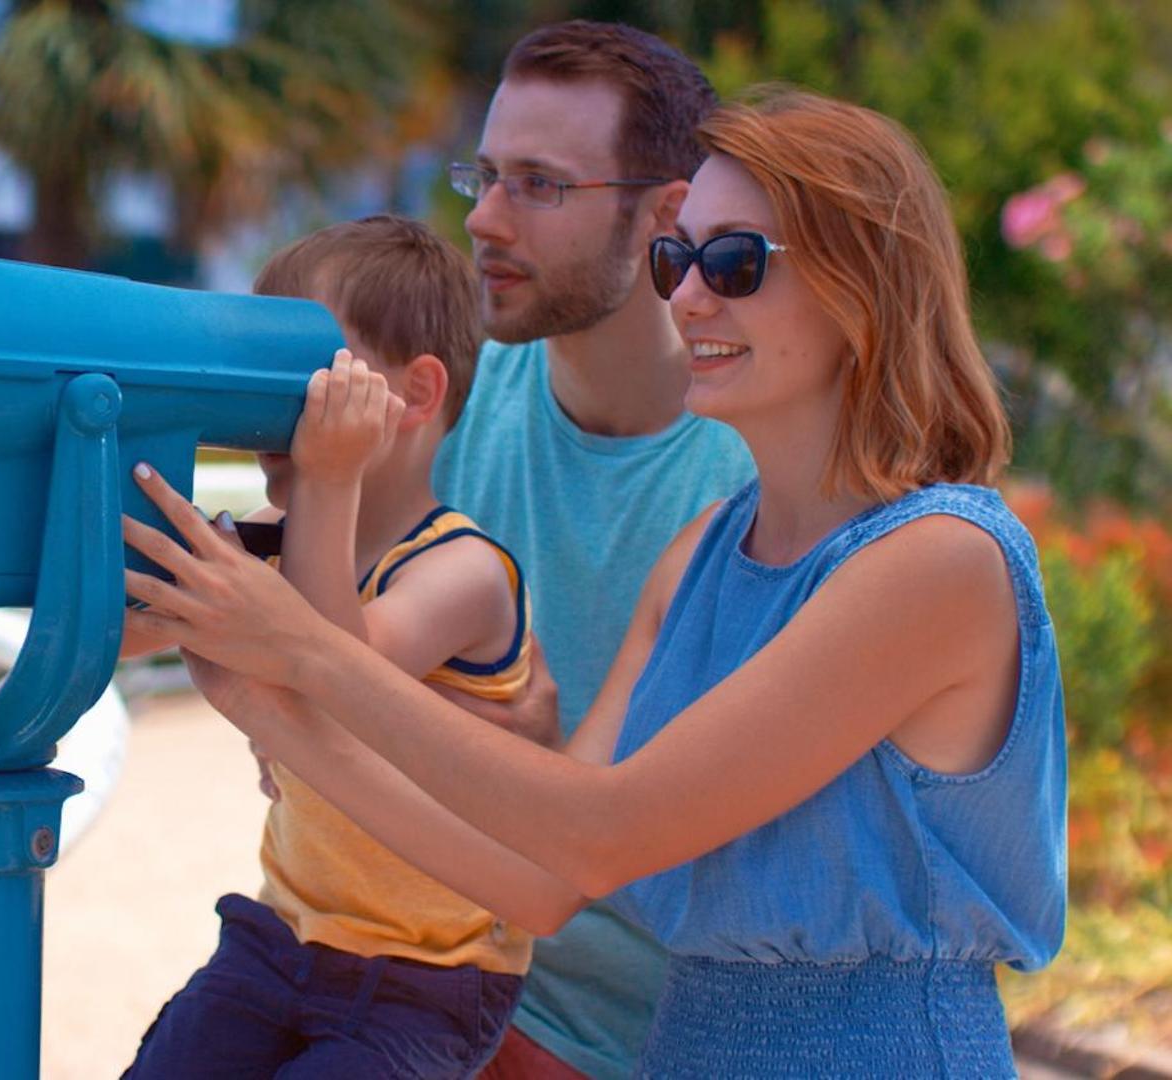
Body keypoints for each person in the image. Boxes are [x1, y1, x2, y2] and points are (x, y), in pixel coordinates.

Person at [120, 88, 1066, 1077]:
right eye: (675, 258)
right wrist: (266, 707)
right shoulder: (702, 552)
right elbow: (536, 884)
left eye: (733, 262)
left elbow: (601, 834)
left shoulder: (937, 562)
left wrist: (304, 654)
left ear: (859, 284)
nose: (687, 296)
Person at [122, 216, 538, 1078]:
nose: (275, 400)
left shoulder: (462, 570)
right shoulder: (280, 536)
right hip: (279, 937)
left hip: (426, 980)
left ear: (415, 395)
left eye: (305, 371)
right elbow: (127, 634)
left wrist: (330, 475)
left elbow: (334, 667)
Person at [439, 21, 755, 1079]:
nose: (483, 218)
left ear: (667, 213)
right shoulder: (449, 403)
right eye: (482, 177)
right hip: (442, 989)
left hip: (655, 1045)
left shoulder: (762, 472)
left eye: (537, 185)